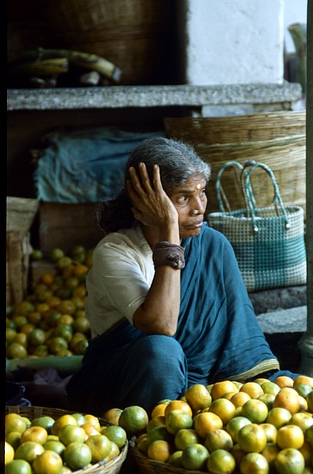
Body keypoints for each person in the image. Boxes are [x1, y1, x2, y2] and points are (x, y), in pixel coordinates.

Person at [66, 136, 297, 415]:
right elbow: (161, 325)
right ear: (143, 204)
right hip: (128, 385)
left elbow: (237, 341)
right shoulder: (115, 251)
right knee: (161, 352)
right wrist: (169, 229)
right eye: (183, 198)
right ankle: (145, 441)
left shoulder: (212, 245)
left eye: (201, 192)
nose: (199, 207)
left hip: (204, 390)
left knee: (295, 388)